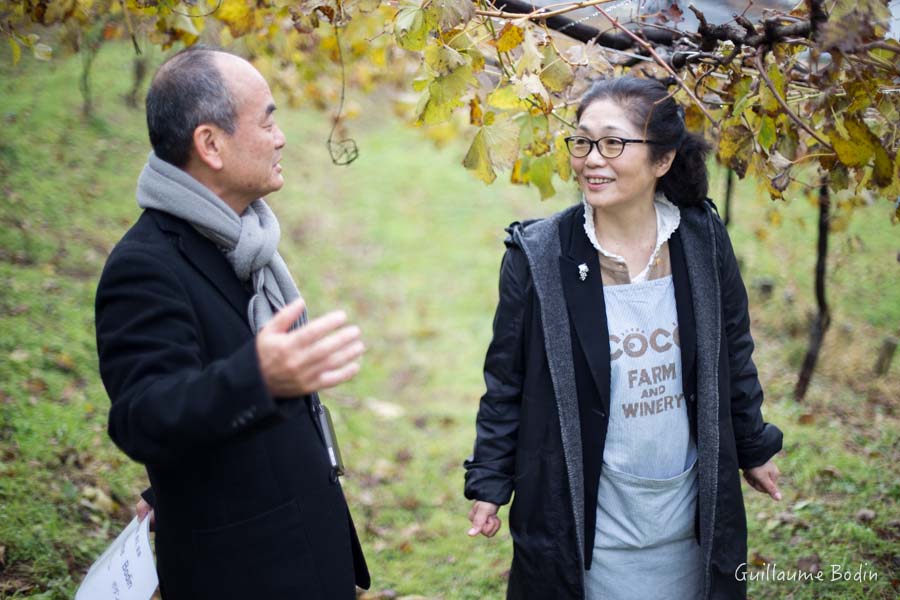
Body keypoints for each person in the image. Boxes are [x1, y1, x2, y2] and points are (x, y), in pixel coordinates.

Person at [463, 76, 784, 599]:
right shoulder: (539, 256)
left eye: (613, 143)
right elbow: (506, 380)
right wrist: (490, 482)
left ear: (662, 161)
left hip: (685, 510)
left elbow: (734, 350)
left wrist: (752, 446)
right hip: (590, 519)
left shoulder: (699, 238)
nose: (593, 159)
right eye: (583, 141)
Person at [95, 46, 369, 599]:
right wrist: (259, 378)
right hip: (244, 574)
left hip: (305, 548)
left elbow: (193, 403)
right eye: (267, 119)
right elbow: (141, 415)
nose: (281, 136)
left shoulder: (245, 242)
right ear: (210, 145)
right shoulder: (145, 266)